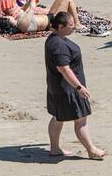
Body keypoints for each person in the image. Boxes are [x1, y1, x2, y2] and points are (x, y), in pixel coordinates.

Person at [44, 10, 104, 159]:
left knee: (58, 118)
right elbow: (64, 69)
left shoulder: (53, 38)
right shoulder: (58, 45)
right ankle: (91, 150)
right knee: (81, 119)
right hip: (68, 90)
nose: (74, 27)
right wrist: (79, 87)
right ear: (60, 26)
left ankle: (55, 149)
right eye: (70, 25)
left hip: (56, 87)